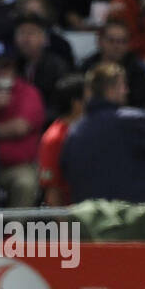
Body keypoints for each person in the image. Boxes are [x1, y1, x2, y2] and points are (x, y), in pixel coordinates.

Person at [60, 62, 145, 203]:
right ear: (110, 90)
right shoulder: (125, 121)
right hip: (128, 217)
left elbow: (66, 171)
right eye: (122, 86)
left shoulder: (75, 131)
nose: (127, 90)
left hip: (90, 218)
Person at [0, 40, 45, 206]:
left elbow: (20, 127)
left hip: (18, 166)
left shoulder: (28, 92)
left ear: (14, 68)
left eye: (5, 65)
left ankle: (15, 231)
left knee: (25, 183)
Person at [37, 72, 82, 206]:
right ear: (76, 103)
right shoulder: (54, 139)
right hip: (70, 217)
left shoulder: (89, 130)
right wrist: (66, 227)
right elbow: (52, 193)